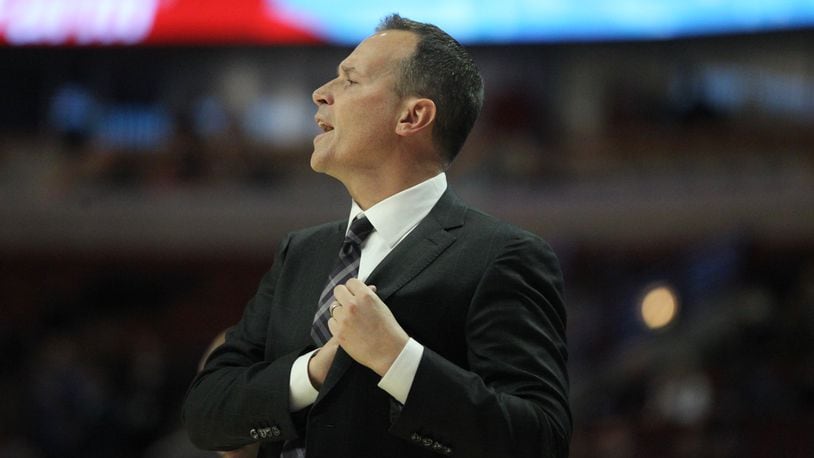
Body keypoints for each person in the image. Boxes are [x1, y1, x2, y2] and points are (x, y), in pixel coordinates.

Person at [183, 14, 570, 458]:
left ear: (412, 116)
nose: (321, 93)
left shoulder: (503, 255)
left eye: (349, 80)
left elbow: (541, 439)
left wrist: (399, 359)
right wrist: (309, 374)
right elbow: (204, 412)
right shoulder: (300, 252)